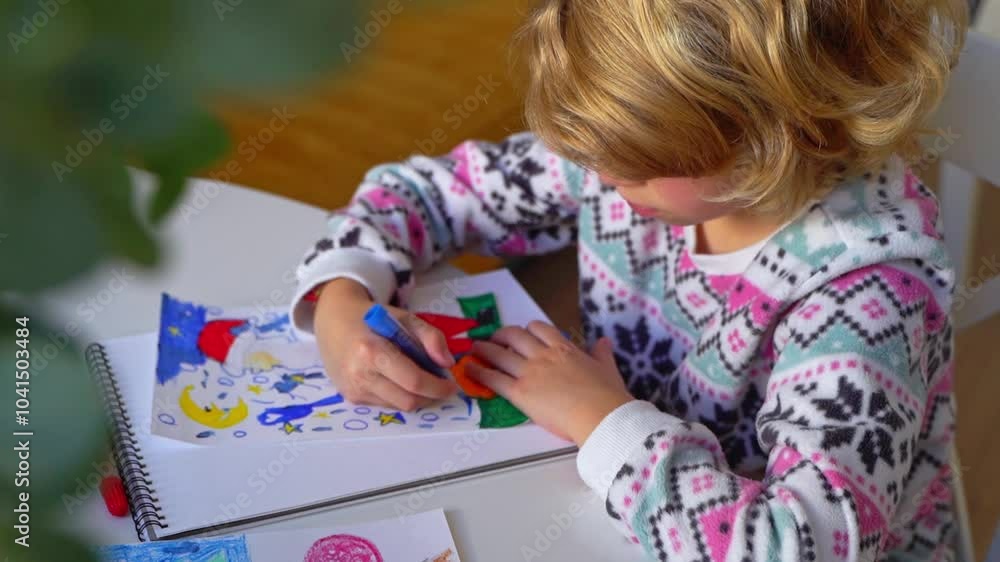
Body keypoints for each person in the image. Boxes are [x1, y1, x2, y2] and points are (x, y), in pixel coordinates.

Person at [289, 1, 968, 559]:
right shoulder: (632, 156)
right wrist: (343, 296)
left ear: (776, 133)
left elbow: (802, 546)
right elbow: (427, 194)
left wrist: (601, 419)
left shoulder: (866, 294)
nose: (602, 177)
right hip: (620, 513)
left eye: (634, 165)